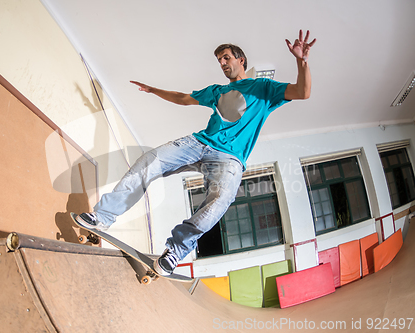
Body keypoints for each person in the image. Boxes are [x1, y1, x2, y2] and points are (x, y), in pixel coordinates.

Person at [73, 30, 316, 276]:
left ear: (241, 59)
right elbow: (183, 98)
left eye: (226, 58)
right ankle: (103, 216)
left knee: (220, 199)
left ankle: (177, 250)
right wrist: (154, 90)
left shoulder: (263, 88)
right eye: (219, 60)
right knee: (150, 161)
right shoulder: (217, 91)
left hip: (230, 159)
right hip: (198, 143)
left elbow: (302, 92)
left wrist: (301, 61)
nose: (222, 64)